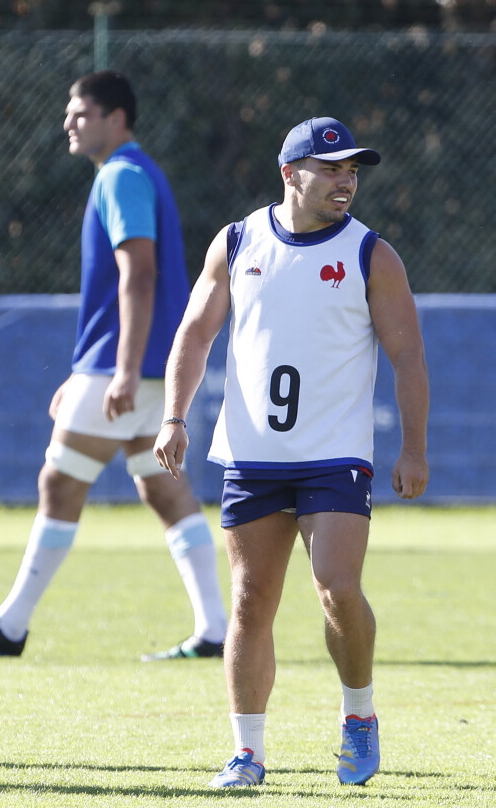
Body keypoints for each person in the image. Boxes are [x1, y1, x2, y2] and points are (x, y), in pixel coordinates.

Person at [153, 116, 429, 786]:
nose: (346, 181)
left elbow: (408, 356)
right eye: (331, 168)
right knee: (249, 602)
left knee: (335, 586)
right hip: (252, 456)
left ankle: (358, 714)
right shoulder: (238, 240)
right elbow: (194, 334)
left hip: (336, 454)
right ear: (290, 173)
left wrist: (413, 448)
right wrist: (173, 417)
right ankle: (247, 754)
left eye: (353, 171)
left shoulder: (372, 255)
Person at [0, 70, 227, 662]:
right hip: (136, 362)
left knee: (59, 482)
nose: (69, 121)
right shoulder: (136, 172)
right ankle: (215, 629)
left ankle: (10, 625)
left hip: (128, 366)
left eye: (81, 112)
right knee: (162, 491)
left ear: (117, 118)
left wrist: (118, 369)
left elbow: (138, 273)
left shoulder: (120, 174)